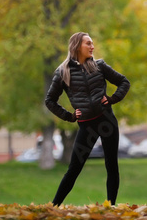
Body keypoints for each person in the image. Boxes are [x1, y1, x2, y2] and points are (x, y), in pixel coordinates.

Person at [45, 32, 130, 206]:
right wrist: (68, 116)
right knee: (74, 169)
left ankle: (110, 208)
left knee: (112, 166)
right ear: (77, 46)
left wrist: (112, 98)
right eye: (88, 43)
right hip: (87, 127)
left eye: (92, 43)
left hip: (107, 121)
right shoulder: (63, 72)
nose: (92, 46)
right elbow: (50, 100)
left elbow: (124, 82)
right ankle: (53, 207)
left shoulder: (99, 66)